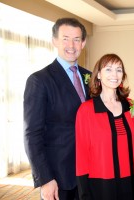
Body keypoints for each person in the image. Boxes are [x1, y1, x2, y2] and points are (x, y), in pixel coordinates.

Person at [24, 18, 91, 200]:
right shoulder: (39, 80)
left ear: (83, 43)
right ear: (54, 41)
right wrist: (45, 179)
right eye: (65, 38)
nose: (71, 45)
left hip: (90, 174)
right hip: (58, 176)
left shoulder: (91, 78)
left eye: (77, 39)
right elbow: (32, 134)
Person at [75, 54, 134, 200]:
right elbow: (82, 155)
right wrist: (84, 193)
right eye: (108, 69)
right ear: (98, 75)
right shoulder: (86, 110)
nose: (114, 74)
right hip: (101, 185)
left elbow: (132, 145)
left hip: (130, 182)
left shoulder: (131, 107)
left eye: (119, 70)